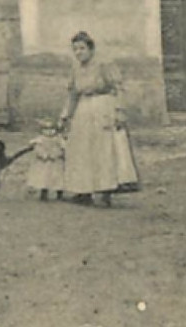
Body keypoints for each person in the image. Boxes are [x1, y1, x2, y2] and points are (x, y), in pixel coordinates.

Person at [59, 31, 140, 207]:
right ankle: (83, 192)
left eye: (82, 48)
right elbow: (72, 93)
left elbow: (118, 88)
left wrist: (119, 111)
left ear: (91, 49)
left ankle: (106, 191)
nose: (79, 52)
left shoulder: (105, 65)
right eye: (75, 49)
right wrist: (66, 116)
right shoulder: (75, 68)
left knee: (104, 150)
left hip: (103, 107)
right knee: (81, 149)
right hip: (83, 109)